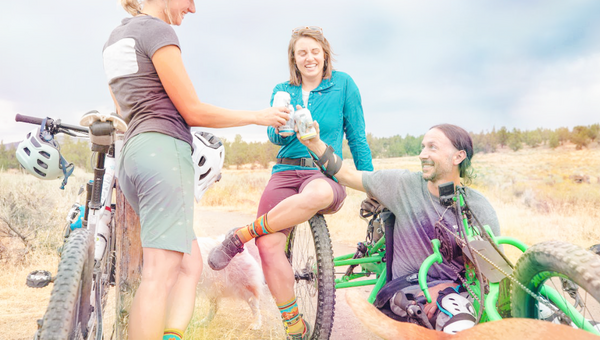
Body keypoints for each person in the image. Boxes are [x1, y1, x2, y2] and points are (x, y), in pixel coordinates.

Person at [103, 1, 289, 339]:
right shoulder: (158, 30)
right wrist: (257, 116)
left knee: (190, 265)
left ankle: (171, 334)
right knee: (158, 276)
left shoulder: (116, 38)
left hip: (133, 154)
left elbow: (123, 108)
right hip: (163, 152)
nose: (191, 7)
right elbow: (191, 111)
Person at [208, 26, 373, 339]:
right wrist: (280, 129)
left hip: (322, 170)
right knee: (269, 246)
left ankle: (241, 234)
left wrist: (372, 184)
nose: (309, 58)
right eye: (302, 53)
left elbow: (357, 137)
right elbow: (272, 133)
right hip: (284, 171)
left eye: (314, 52)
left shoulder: (343, 85)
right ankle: (294, 326)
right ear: (294, 60)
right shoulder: (282, 89)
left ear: (325, 54)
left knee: (319, 194)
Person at [299, 122, 501, 334]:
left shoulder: (478, 207)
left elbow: (490, 274)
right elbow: (346, 175)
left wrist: (450, 288)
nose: (423, 154)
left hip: (458, 290)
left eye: (433, 147)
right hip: (407, 288)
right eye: (422, 147)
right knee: (458, 324)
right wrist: (315, 144)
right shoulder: (403, 186)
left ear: (458, 157)